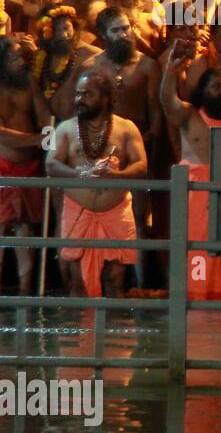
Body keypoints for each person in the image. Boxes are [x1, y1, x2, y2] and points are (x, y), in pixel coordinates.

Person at [161, 47, 221, 301]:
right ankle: (195, 316)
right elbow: (167, 101)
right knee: (196, 257)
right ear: (203, 92)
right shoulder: (190, 116)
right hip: (195, 201)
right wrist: (171, 70)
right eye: (216, 86)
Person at [46, 73, 148, 297]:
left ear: (105, 98)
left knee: (115, 280)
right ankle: (79, 332)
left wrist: (117, 176)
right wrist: (78, 173)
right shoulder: (64, 128)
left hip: (117, 212)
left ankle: (114, 332)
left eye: (87, 94)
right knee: (77, 283)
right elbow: (51, 164)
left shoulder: (127, 128)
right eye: (78, 94)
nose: (80, 99)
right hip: (78, 212)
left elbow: (141, 165)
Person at [84, 6, 162, 285]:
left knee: (141, 218)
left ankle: (141, 284)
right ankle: (104, 282)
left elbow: (155, 111)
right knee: (102, 214)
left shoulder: (147, 65)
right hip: (101, 148)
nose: (124, 34)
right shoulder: (92, 66)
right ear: (103, 36)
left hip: (138, 149)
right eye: (116, 30)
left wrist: (149, 144)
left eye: (127, 27)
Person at [0, 36, 52, 294]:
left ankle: (25, 292)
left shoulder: (27, 83)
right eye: (15, 58)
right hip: (3, 167)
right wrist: (38, 140)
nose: (22, 62)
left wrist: (48, 135)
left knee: (25, 228)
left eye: (23, 57)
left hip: (30, 166)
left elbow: (45, 115)